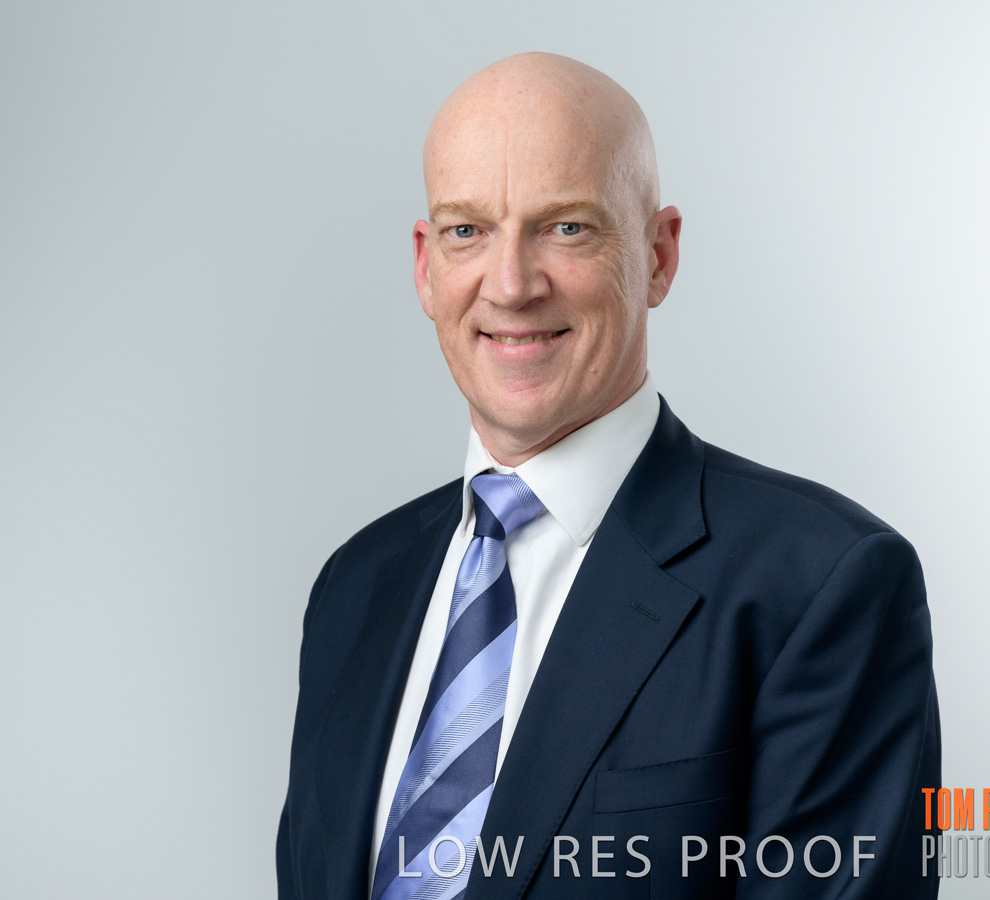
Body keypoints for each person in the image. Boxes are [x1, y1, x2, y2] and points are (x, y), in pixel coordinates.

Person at [277, 52, 940, 900]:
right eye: (466, 231)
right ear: (424, 266)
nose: (510, 285)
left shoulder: (819, 585)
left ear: (658, 256)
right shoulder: (355, 586)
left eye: (566, 228)